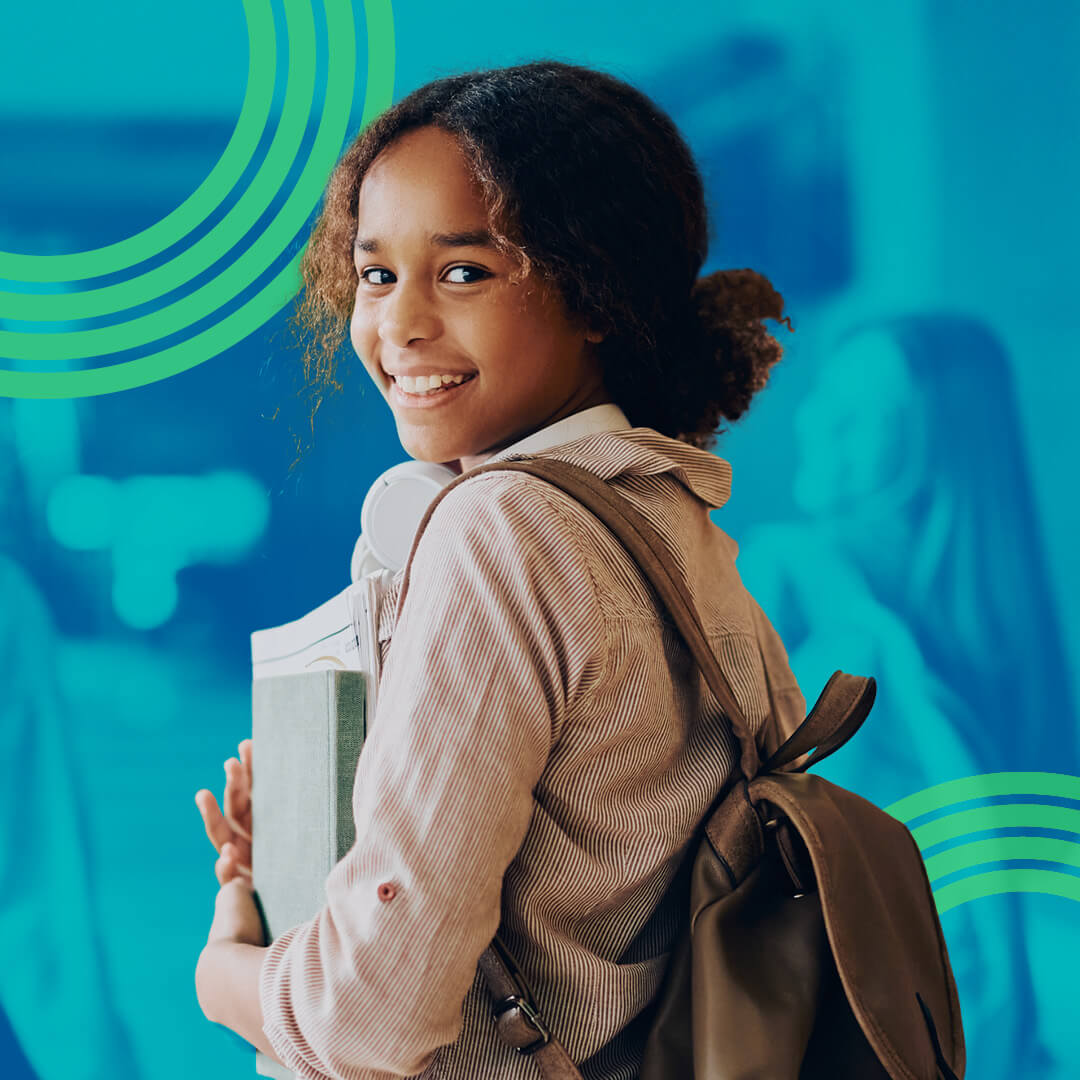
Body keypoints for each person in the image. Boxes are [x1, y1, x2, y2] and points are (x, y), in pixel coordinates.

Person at [194, 60, 806, 1079]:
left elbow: (367, 1021)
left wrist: (229, 968)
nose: (400, 325)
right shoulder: (668, 515)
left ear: (596, 288)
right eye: (378, 274)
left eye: (465, 272)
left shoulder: (503, 529)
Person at [737, 314, 1070, 1079]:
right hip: (935, 1011)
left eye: (873, 413)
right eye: (824, 394)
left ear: (937, 446)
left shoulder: (796, 577)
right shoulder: (989, 623)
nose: (822, 421)